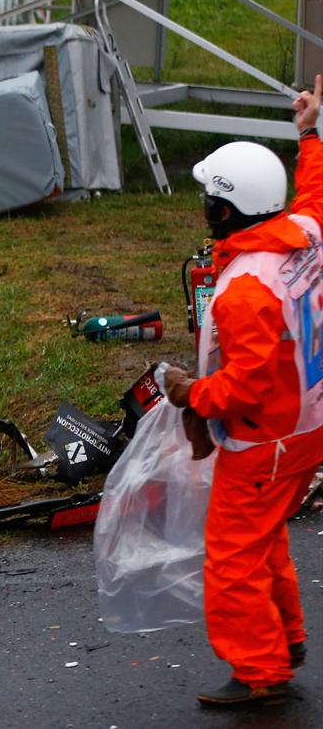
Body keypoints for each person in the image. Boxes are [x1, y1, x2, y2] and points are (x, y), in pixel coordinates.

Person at [161, 76, 323, 708]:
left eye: (209, 199)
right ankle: (286, 639)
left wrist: (190, 394)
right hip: (305, 428)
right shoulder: (303, 234)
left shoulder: (245, 290)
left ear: (222, 212)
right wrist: (309, 134)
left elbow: (244, 389)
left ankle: (261, 672)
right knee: (264, 537)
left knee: (232, 557)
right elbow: (315, 194)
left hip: (265, 444)